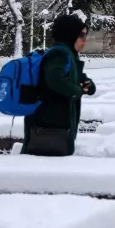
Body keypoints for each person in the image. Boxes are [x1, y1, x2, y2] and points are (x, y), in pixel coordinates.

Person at [22, 14, 97, 157]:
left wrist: (88, 84)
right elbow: (55, 79)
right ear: (70, 35)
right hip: (48, 126)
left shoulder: (69, 54)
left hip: (55, 126)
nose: (84, 40)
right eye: (82, 35)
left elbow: (74, 76)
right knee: (47, 169)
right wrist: (76, 90)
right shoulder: (59, 54)